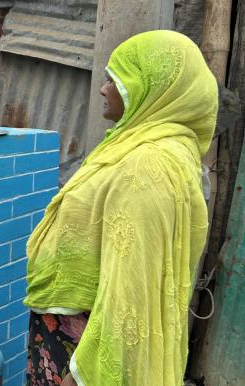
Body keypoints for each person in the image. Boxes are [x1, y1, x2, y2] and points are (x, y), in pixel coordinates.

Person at [24, 30, 218, 385]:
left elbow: (130, 293)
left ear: (152, 89)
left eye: (116, 78)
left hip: (82, 355)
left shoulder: (147, 166)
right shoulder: (142, 148)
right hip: (67, 334)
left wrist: (81, 376)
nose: (103, 88)